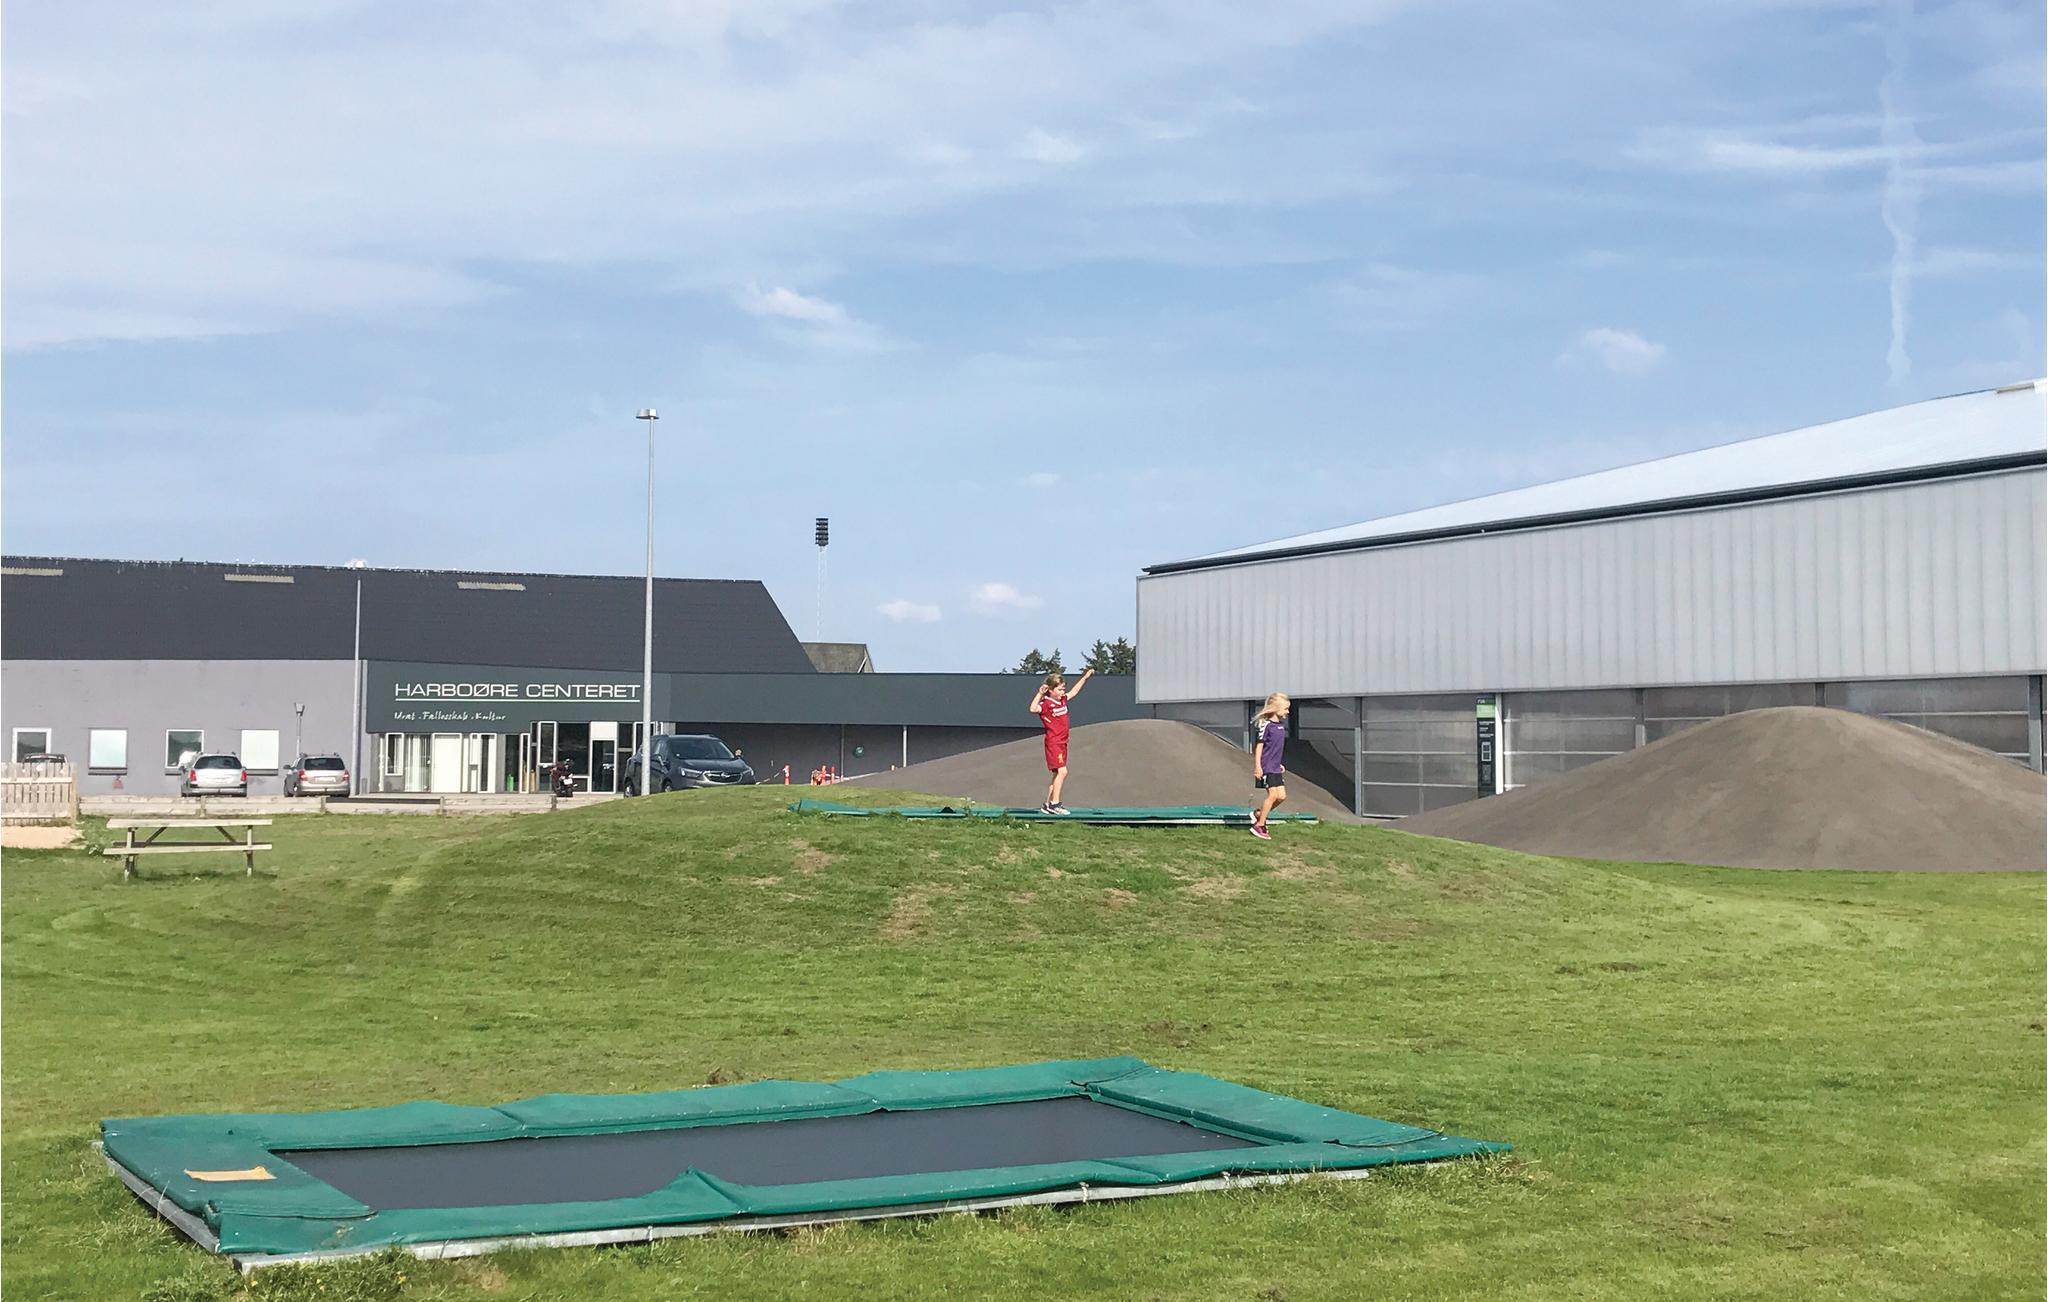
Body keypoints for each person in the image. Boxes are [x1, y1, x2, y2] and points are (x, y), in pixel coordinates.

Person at [1029, 667, 1096, 814]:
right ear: (1050, 690)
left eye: (1063, 689)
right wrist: (1040, 694)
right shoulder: (1046, 704)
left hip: (1063, 742)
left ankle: (1047, 804)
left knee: (1057, 774)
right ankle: (1055, 804)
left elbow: (1074, 692)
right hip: (1054, 742)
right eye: (1059, 689)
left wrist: (1085, 677)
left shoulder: (1062, 701)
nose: (1062, 692)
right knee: (1063, 772)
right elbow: (1033, 709)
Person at [1250, 692, 1291, 840]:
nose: (1288, 712)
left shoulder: (1280, 726)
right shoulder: (1266, 726)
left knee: (1281, 797)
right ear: (1275, 708)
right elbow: (1259, 747)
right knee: (1272, 795)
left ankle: (1259, 814)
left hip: (1275, 766)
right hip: (1266, 766)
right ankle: (1259, 825)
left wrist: (1278, 763)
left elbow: (1274, 748)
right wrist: (1258, 766)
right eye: (1285, 709)